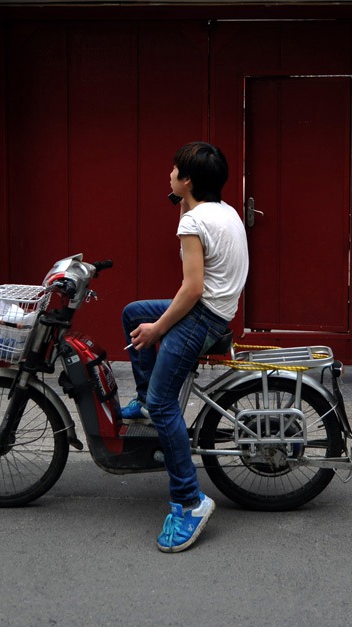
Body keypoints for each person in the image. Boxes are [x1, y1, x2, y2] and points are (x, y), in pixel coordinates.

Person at [121, 142, 249, 552]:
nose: (168, 176)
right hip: (218, 308)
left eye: (173, 171)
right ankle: (142, 399)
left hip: (204, 315)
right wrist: (182, 200)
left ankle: (189, 502)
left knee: (165, 406)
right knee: (132, 312)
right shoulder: (220, 210)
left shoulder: (194, 224)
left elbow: (192, 289)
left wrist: (158, 329)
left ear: (187, 179)